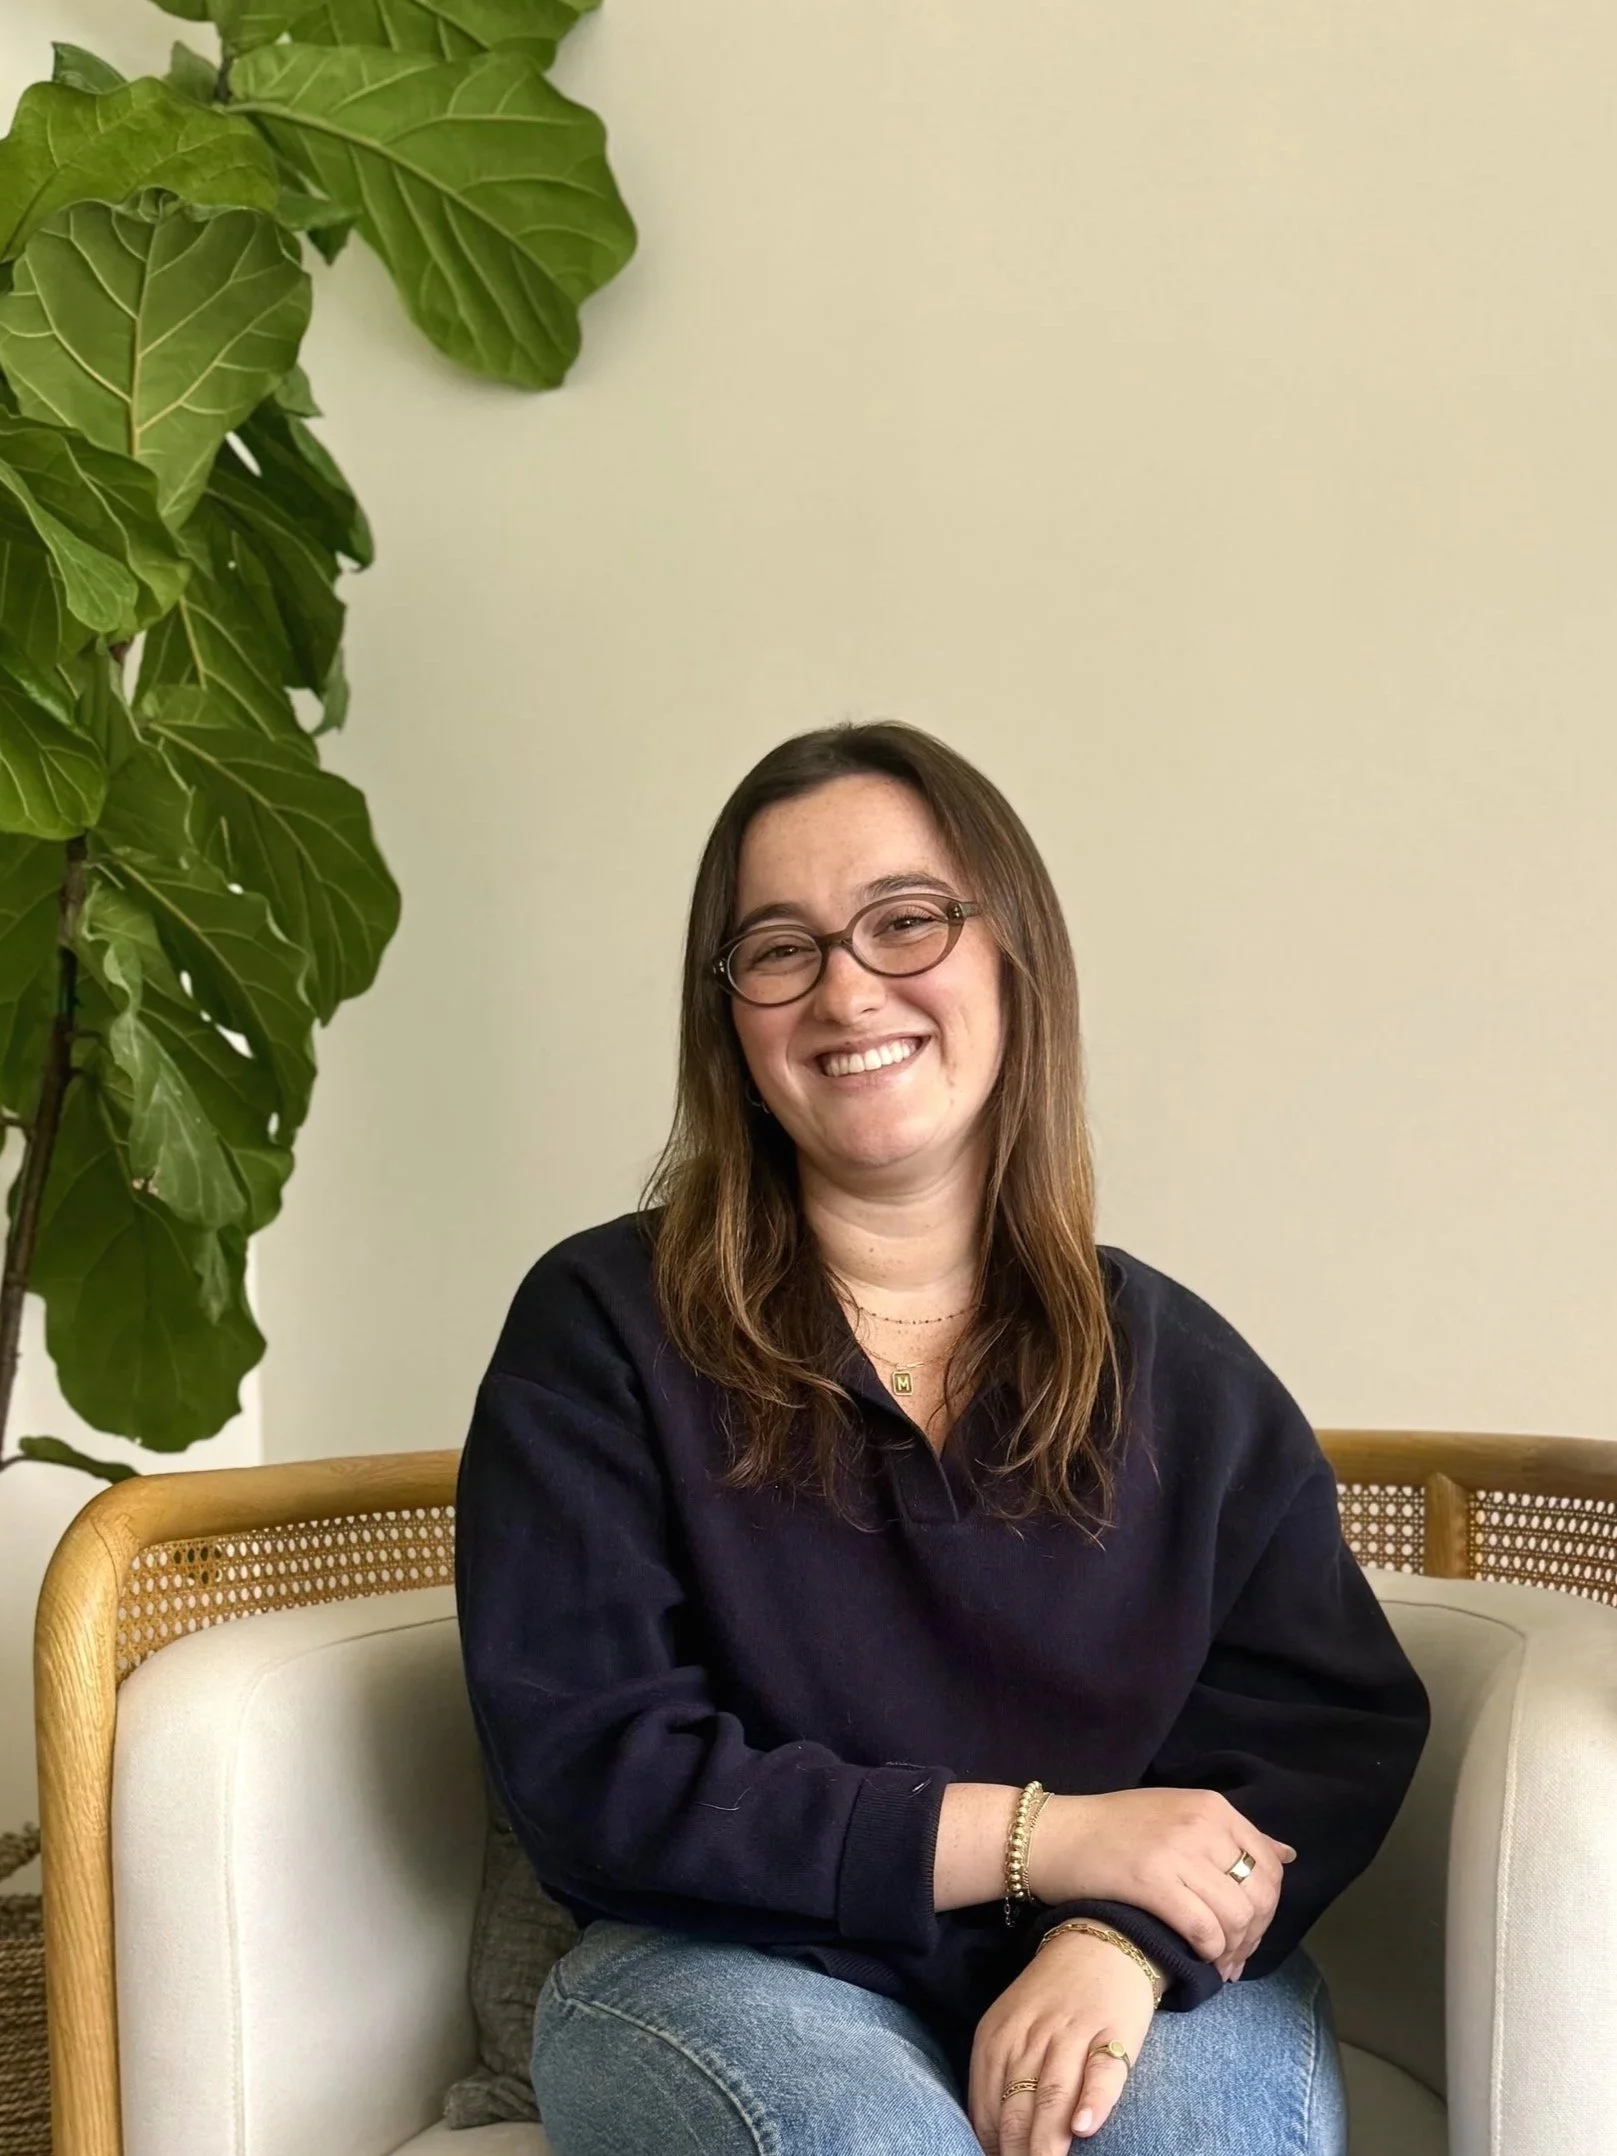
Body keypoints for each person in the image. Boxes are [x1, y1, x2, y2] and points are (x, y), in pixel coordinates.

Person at [454, 722, 1430, 2156]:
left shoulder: (1183, 1372)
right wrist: (1050, 1834)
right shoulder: (599, 1329)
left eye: (904, 922)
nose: (849, 987)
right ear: (729, 1013)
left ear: (1010, 955)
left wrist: (1115, 1935)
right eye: (779, 948)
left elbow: (1319, 1732)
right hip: (722, 1962)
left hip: (1123, 1964)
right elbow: (602, 1773)